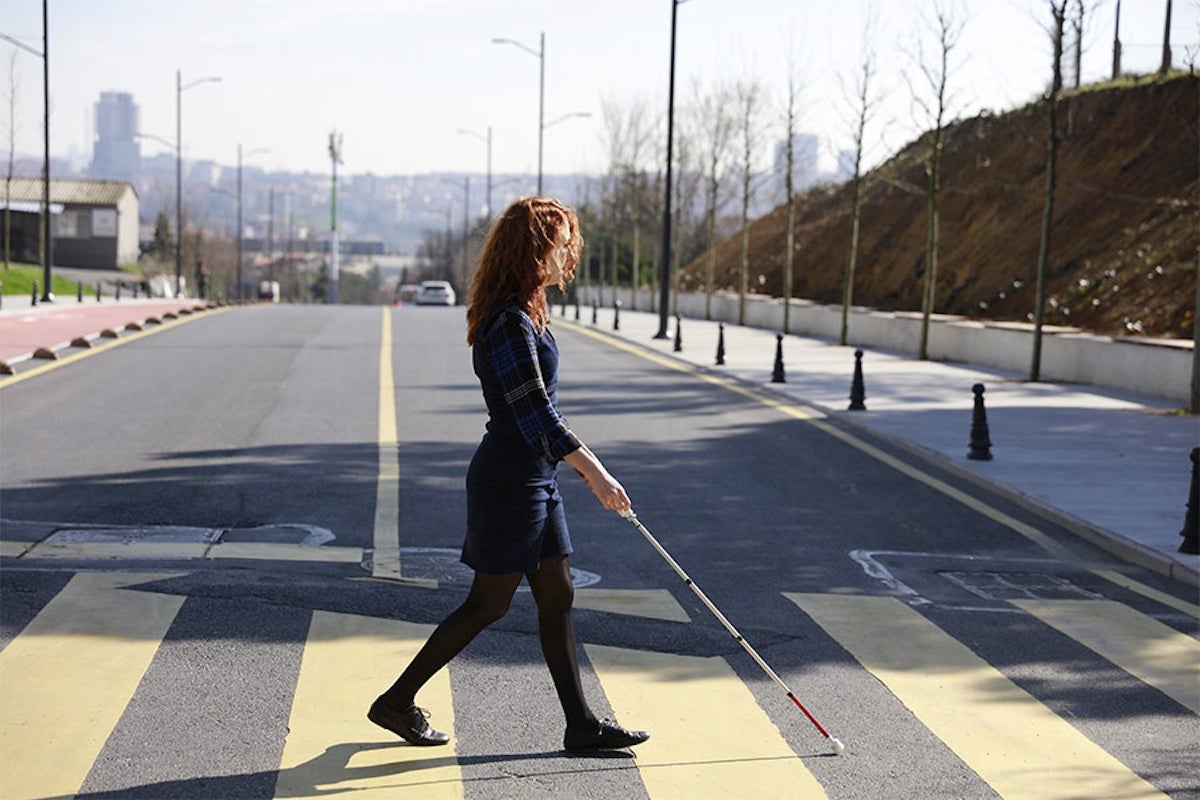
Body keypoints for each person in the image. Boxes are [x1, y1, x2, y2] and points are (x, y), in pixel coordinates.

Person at [368, 197, 650, 753]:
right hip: (508, 482)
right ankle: (396, 702)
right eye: (560, 242)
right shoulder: (507, 323)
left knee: (557, 593)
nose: (568, 251)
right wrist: (595, 472)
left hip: (536, 478)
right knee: (488, 604)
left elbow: (541, 419)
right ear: (534, 248)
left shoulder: (528, 310)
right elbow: (536, 415)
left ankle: (581, 724)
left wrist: (576, 471)